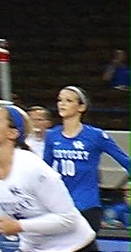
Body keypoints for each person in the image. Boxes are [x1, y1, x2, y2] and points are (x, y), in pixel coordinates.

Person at [0, 105, 96, 252]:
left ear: (13, 133)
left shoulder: (32, 168)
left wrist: (19, 226)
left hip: (75, 246)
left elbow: (68, 219)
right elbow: (9, 205)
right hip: (33, 247)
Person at [43, 85, 131, 238]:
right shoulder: (52, 135)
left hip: (87, 206)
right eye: (59, 100)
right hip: (61, 205)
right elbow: (44, 170)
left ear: (81, 107)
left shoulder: (96, 136)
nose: (61, 104)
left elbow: (125, 160)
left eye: (68, 100)